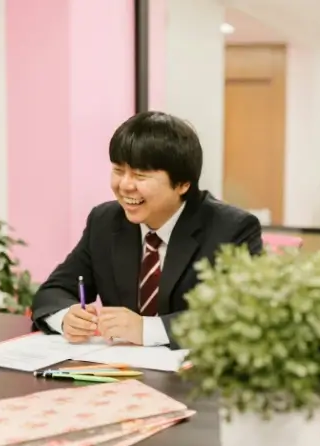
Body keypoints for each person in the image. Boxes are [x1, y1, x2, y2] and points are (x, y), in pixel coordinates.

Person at [31, 111, 263, 348]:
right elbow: (53, 292)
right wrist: (67, 318)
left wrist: (149, 329)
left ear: (183, 183)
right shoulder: (105, 221)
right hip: (118, 374)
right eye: (119, 171)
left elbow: (240, 313)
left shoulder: (232, 228)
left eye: (140, 175)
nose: (125, 185)